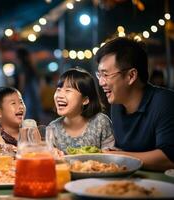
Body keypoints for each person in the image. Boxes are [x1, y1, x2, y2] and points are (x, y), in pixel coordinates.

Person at [95, 37, 174, 171]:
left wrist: (116, 156)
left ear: (131, 76)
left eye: (106, 75)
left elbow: (168, 159)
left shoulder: (165, 102)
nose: (101, 82)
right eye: (99, 75)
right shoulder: (117, 105)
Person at [49, 68, 115, 154]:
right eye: (58, 90)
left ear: (85, 100)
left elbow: (111, 157)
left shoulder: (101, 122)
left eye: (68, 90)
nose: (59, 95)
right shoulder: (52, 129)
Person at [15, 47, 42, 122]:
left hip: (27, 92)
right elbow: (38, 79)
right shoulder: (31, 66)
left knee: (27, 113)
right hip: (34, 92)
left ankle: (28, 132)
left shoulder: (21, 67)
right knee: (35, 114)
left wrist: (19, 93)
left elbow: (22, 81)